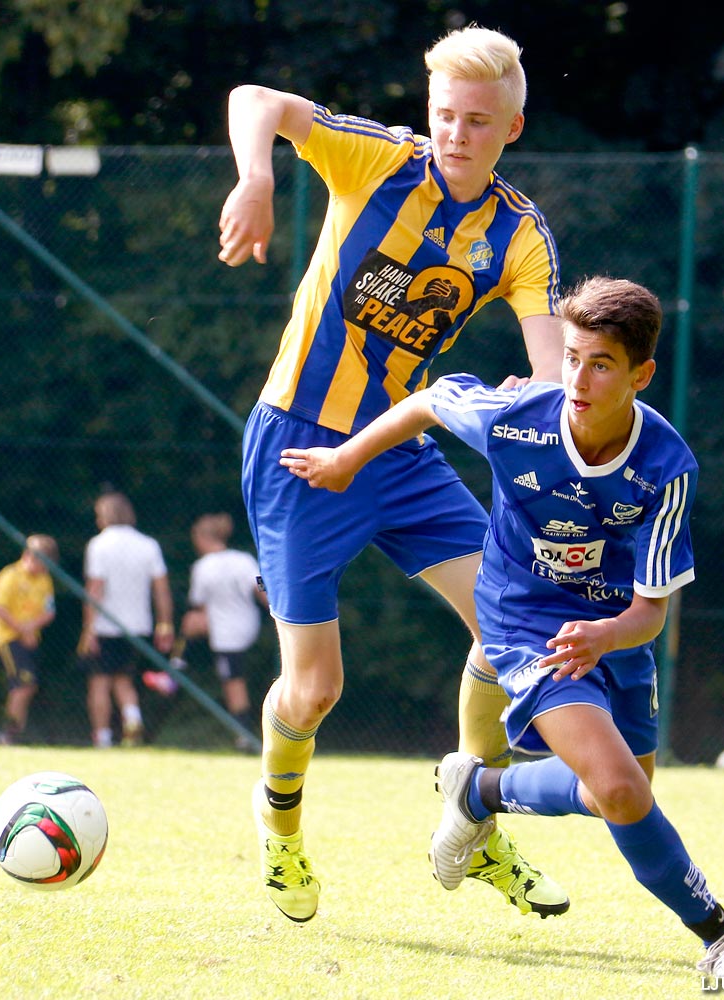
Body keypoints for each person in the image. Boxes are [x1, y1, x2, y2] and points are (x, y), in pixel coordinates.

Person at [282, 275, 724, 978]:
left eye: (600, 364)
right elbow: (427, 400)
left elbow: (650, 613)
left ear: (641, 374)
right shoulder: (518, 418)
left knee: (620, 795)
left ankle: (478, 790)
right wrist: (345, 457)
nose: (577, 377)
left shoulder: (667, 467)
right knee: (623, 790)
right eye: (571, 356)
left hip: (612, 630)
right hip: (523, 620)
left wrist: (606, 635)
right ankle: (722, 938)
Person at [218, 25, 567, 922]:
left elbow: (553, 374)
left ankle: (470, 811)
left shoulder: (518, 235)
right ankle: (280, 827)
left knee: (507, 622)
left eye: (477, 121)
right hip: (297, 445)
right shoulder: (376, 160)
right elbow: (254, 101)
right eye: (444, 114)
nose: (454, 133)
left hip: (397, 448)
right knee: (315, 688)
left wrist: (536, 397)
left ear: (511, 130)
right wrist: (257, 177)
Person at [78, 492, 174, 748]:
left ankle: (103, 737)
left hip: (105, 626)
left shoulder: (99, 545)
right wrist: (165, 623)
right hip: (138, 625)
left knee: (99, 682)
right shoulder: (148, 544)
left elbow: (95, 589)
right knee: (124, 679)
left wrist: (89, 629)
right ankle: (132, 720)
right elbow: (161, 588)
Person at [168, 513, 266, 747]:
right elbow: (261, 585)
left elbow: (198, 604)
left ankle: (175, 667)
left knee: (233, 681)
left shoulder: (202, 567)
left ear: (201, 538)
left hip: (227, 635)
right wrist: (275, 609)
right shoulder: (244, 559)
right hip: (248, 625)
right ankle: (175, 668)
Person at [0, 534, 58, 745]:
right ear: (30, 556)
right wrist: (23, 630)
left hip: (30, 639)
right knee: (23, 685)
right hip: (9, 639)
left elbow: (49, 611)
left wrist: (31, 628)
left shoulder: (44, 580)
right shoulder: (9, 576)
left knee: (26, 686)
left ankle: (13, 732)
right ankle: (8, 733)